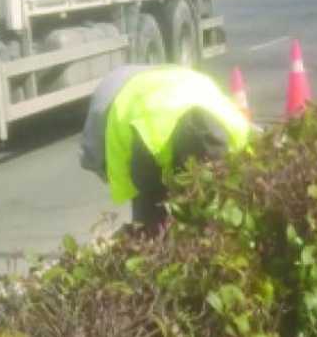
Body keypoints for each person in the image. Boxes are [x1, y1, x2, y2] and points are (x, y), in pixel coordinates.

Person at [80, 65, 251, 230]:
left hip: (169, 79)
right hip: (114, 96)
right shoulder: (151, 139)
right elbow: (147, 203)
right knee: (152, 225)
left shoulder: (236, 129)